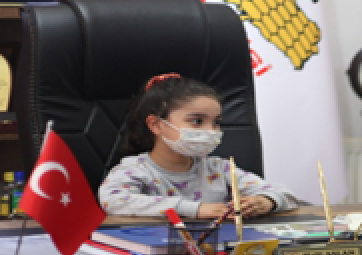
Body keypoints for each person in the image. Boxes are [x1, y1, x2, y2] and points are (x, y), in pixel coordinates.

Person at [98, 73, 298, 218]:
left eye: (216, 122)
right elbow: (113, 201)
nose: (211, 130)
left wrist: (266, 201)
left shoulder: (219, 169)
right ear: (156, 125)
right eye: (197, 121)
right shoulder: (135, 169)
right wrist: (194, 209)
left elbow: (287, 195)